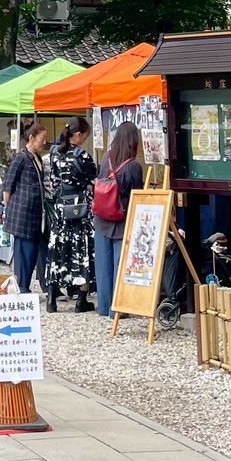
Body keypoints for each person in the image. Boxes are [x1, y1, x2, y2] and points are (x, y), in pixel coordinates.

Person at [45, 116, 97, 313]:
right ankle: (81, 300)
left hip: (60, 208)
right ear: (78, 135)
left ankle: (51, 298)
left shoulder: (54, 153)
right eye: (85, 136)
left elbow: (53, 179)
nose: (85, 139)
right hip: (79, 209)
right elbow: (93, 179)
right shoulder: (82, 156)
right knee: (80, 251)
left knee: (57, 249)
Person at [93, 121, 143, 318]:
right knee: (120, 265)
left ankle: (104, 306)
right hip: (122, 219)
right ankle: (117, 309)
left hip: (101, 217)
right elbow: (137, 195)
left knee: (103, 266)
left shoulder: (106, 158)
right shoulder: (134, 166)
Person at [3, 119, 49, 292]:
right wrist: (10, 209)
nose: (44, 142)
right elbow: (8, 186)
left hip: (36, 212)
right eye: (42, 138)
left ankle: (25, 286)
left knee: (32, 252)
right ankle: (22, 287)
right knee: (23, 251)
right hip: (22, 213)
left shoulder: (37, 158)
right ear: (31, 138)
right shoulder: (21, 157)